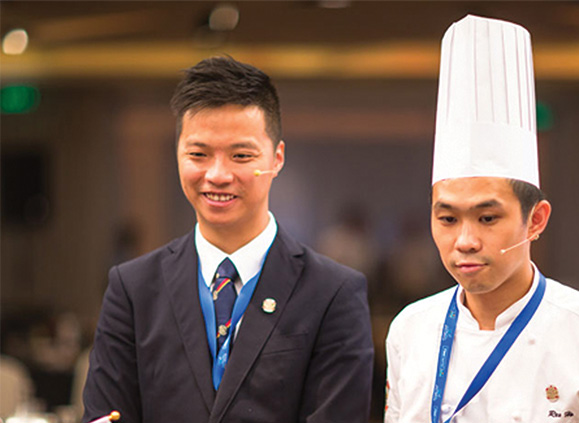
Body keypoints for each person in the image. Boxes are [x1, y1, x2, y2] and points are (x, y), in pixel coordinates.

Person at [385, 15, 579, 423]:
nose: (464, 240)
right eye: (447, 218)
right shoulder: (410, 331)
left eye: (487, 217)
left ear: (536, 220)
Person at [83, 56, 374, 423]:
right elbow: (105, 414)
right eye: (198, 154)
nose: (217, 175)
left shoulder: (333, 293)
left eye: (240, 155)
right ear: (178, 155)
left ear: (277, 157)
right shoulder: (133, 289)